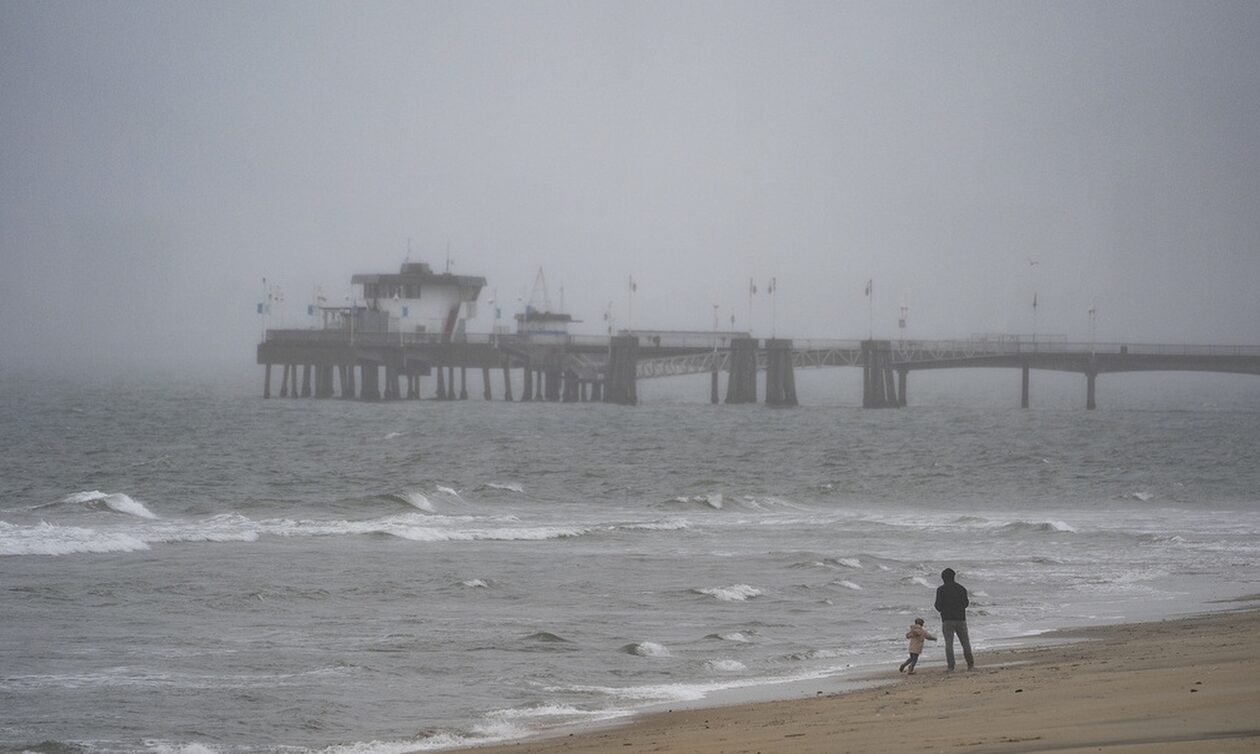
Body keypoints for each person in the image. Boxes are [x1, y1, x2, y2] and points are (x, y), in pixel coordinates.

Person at [934, 567, 974, 670]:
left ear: (943, 578)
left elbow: (937, 605)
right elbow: (966, 603)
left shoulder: (941, 590)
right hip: (961, 618)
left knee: (949, 643)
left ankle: (951, 666)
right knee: (965, 642)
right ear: (954, 577)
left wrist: (943, 610)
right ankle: (970, 664)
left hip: (947, 619)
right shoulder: (961, 588)